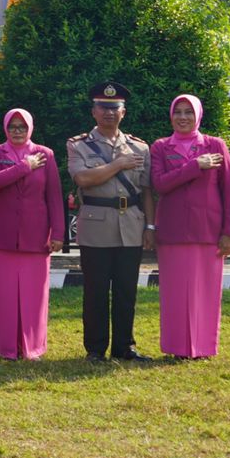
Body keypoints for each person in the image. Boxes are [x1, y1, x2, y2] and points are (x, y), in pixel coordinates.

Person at [67, 81, 155, 362]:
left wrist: (150, 226)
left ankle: (124, 346)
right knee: (95, 290)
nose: (108, 112)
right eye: (103, 107)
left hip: (131, 222)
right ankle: (95, 349)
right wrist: (117, 164)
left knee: (126, 289)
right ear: (93, 111)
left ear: (123, 112)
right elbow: (83, 179)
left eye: (114, 108)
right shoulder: (78, 145)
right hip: (96, 224)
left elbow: (147, 191)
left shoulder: (139, 147)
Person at [150, 94, 230, 359]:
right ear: (171, 115)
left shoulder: (214, 145)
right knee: (174, 293)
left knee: (206, 292)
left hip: (207, 231)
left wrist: (229, 232)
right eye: (178, 112)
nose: (183, 117)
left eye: (189, 112)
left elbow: (229, 190)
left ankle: (202, 347)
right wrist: (194, 166)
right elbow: (161, 184)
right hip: (173, 232)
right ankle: (176, 347)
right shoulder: (161, 147)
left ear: (198, 115)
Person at [0, 108, 64, 360]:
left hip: (36, 236)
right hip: (2, 236)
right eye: (13, 127)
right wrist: (23, 167)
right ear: (5, 128)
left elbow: (54, 197)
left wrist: (57, 233)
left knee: (34, 297)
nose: (17, 131)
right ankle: (7, 347)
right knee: (4, 296)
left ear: (31, 128)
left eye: (22, 127)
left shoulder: (45, 155)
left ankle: (33, 347)